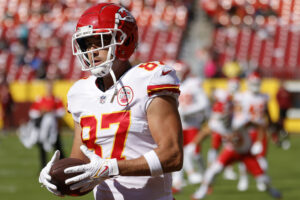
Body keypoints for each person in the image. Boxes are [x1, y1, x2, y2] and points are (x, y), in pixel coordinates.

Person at [39, 3, 183, 200]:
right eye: (87, 43)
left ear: (125, 39)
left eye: (101, 41)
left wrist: (110, 167)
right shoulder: (80, 93)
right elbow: (83, 170)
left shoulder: (150, 79)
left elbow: (173, 155)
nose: (92, 51)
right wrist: (59, 178)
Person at [171, 61, 210, 193]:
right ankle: (178, 182)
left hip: (192, 124)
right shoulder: (172, 84)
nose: (177, 75)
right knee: (177, 154)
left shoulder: (194, 84)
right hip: (177, 124)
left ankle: (206, 177)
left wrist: (187, 111)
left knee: (194, 154)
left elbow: (204, 104)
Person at [26, 79, 65, 169]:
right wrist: (41, 112)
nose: (49, 89)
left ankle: (62, 167)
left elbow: (61, 112)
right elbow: (32, 112)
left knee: (58, 148)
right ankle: (43, 168)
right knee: (42, 148)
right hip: (42, 129)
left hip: (54, 129)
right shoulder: (40, 99)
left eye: (50, 87)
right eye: (47, 87)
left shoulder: (56, 99)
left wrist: (51, 112)